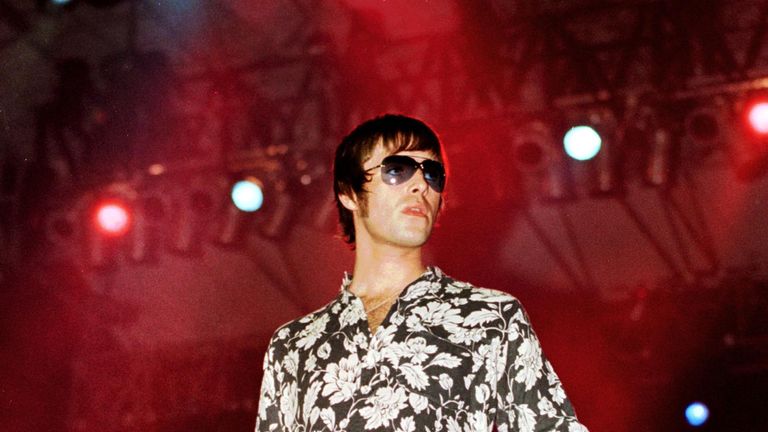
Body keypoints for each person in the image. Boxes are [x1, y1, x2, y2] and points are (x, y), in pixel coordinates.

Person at [254, 114, 588, 431]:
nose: (421, 186)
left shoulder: (491, 317)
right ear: (349, 193)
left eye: (432, 174)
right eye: (397, 170)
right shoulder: (294, 345)